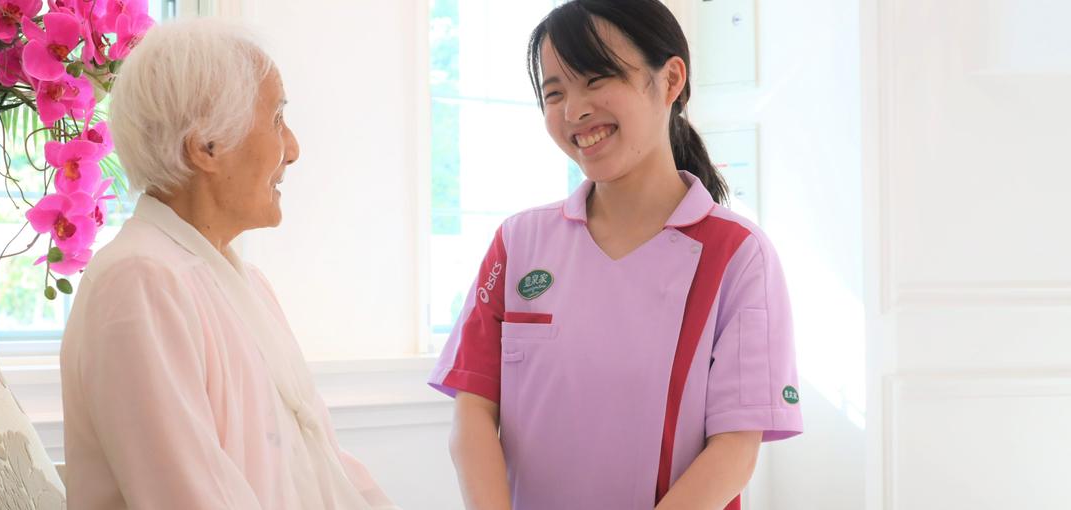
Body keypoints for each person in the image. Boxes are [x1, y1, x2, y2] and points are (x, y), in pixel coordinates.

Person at [428, 1, 803, 509]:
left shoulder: (737, 255)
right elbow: (472, 413)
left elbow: (735, 449)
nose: (574, 110)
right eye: (554, 92)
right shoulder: (518, 243)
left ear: (670, 81)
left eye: (597, 78)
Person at [60, 18, 397, 509]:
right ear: (206, 146)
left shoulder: (244, 284)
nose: (295, 149)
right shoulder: (139, 281)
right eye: (278, 118)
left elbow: (325, 463)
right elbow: (189, 498)